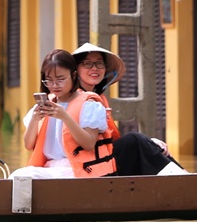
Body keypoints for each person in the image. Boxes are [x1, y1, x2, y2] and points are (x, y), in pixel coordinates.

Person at [70, 41, 186, 176]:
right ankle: (182, 176)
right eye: (87, 64)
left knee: (151, 146)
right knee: (134, 140)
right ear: (76, 69)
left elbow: (108, 141)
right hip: (89, 161)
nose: (94, 68)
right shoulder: (77, 98)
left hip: (102, 155)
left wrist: (149, 143)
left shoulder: (98, 98)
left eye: (99, 63)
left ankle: (182, 175)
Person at [10, 49, 118, 179]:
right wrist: (34, 119)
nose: (55, 85)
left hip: (78, 168)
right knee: (18, 176)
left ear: (73, 76)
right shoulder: (46, 104)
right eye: (49, 80)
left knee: (22, 177)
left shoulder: (89, 104)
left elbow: (89, 144)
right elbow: (28, 145)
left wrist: (65, 117)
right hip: (48, 168)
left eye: (60, 79)